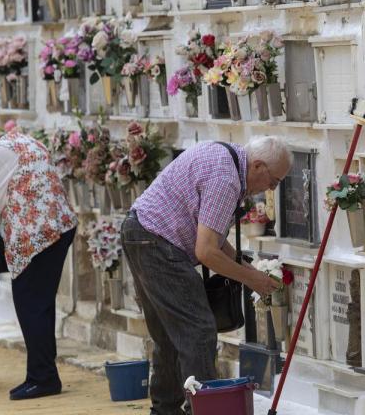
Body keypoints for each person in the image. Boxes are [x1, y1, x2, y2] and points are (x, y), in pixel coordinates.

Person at [123, 136, 292, 415]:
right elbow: (206, 252)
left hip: (142, 234)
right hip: (157, 242)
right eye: (273, 181)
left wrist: (248, 268)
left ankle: (165, 410)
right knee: (198, 329)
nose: (270, 189)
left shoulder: (222, 155)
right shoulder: (226, 179)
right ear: (259, 166)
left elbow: (213, 236)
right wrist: (252, 280)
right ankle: (205, 410)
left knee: (169, 333)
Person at [0, 113, 77, 401]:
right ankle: (44, 374)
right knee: (40, 304)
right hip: (60, 225)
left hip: (36, 235)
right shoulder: (21, 139)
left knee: (31, 305)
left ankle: (43, 378)